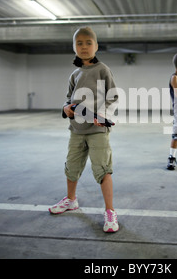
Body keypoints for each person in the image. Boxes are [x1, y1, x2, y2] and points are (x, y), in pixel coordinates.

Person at [48, 27, 119, 233]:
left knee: (102, 169)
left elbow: (113, 96)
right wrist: (66, 108)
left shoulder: (103, 70)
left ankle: (110, 211)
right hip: (76, 129)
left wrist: (103, 115)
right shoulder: (75, 73)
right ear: (74, 47)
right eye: (79, 43)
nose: (84, 46)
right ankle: (71, 200)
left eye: (89, 42)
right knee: (72, 166)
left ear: (96, 46)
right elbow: (68, 98)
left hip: (97, 131)